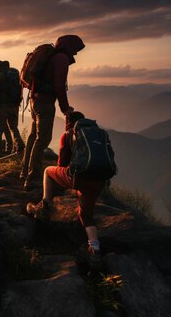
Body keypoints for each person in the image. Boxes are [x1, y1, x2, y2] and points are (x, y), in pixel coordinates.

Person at [26, 112, 106, 266]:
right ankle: (95, 249)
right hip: (99, 180)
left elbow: (62, 164)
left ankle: (44, 206)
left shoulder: (69, 134)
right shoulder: (99, 134)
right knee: (86, 215)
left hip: (79, 179)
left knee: (48, 172)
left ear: (69, 122)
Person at [21, 35, 85, 190]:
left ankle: (24, 171)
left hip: (35, 99)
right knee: (43, 138)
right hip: (45, 102)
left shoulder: (52, 57)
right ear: (68, 46)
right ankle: (33, 177)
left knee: (33, 136)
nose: (75, 53)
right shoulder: (61, 59)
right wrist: (65, 108)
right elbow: (59, 85)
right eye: (75, 49)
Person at [0, 60, 25, 158]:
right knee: (13, 127)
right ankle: (19, 144)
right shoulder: (14, 74)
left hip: (3, 107)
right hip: (15, 106)